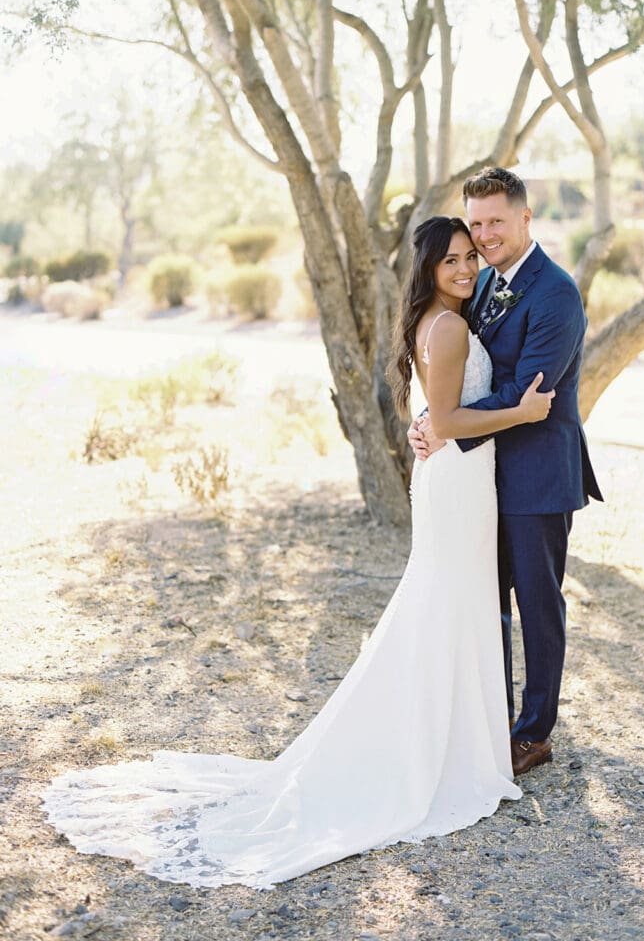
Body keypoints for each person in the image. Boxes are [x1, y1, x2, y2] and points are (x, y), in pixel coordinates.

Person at [41, 216, 554, 891]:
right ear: (428, 268)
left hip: (453, 483)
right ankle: (442, 750)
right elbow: (451, 422)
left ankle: (449, 739)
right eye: (451, 260)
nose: (465, 269)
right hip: (458, 480)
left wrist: (427, 422)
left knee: (446, 603)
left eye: (469, 258)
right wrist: (519, 414)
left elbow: (432, 412)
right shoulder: (450, 326)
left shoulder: (437, 320)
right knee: (448, 602)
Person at [409, 168, 603, 777]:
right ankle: (488, 722)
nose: (486, 235)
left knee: (538, 606)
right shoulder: (484, 279)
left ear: (525, 218)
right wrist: (431, 416)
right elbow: (461, 370)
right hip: (481, 474)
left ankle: (533, 733)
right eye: (478, 222)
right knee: (485, 601)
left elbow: (526, 391)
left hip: (538, 474)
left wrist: (445, 423)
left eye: (497, 221)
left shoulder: (556, 294)